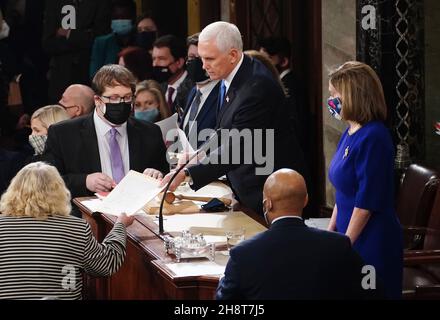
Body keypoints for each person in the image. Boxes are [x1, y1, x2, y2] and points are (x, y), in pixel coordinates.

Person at [160, 22, 306, 215]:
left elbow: (239, 147)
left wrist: (188, 173)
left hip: (269, 194)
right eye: (202, 58)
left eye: (210, 59)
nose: (204, 66)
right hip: (246, 188)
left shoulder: (256, 88)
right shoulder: (231, 76)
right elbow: (225, 130)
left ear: (233, 55)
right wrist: (197, 157)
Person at [216, 169, 380, 300]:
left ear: (267, 204)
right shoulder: (338, 245)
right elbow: (372, 287)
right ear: (305, 200)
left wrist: (224, 279)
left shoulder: (243, 254)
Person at [0, 162, 135, 300]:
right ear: (59, 192)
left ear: (13, 191)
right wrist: (120, 225)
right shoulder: (76, 228)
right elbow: (106, 264)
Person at [326, 61, 403, 299]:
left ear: (353, 95)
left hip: (371, 240)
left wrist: (346, 243)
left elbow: (366, 202)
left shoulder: (374, 136)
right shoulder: (349, 132)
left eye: (334, 96)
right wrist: (332, 233)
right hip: (349, 235)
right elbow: (343, 190)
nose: (331, 102)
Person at [44, 64, 169, 202]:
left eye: (127, 97)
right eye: (114, 98)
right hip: (88, 217)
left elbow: (166, 173)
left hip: (139, 214)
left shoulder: (150, 132)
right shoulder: (63, 134)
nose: (122, 103)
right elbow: (47, 182)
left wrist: (158, 174)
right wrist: (85, 181)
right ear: (97, 100)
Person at [43, 0, 111, 103]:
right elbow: (48, 44)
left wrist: (69, 34)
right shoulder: (54, 3)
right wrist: (83, 36)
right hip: (61, 76)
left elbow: (100, 38)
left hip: (89, 73)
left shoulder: (100, 3)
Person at [258, 36, 308, 152]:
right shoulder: (275, 84)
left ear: (284, 61)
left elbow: (294, 127)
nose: (261, 67)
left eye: (267, 61)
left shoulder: (289, 86)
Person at [180, 33, 219, 148]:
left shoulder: (224, 93)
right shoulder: (192, 92)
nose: (196, 62)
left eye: (202, 58)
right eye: (191, 57)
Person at [89, 0, 137, 79]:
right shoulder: (101, 43)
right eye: (116, 18)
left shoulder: (140, 41)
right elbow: (94, 75)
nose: (120, 21)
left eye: (124, 17)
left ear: (133, 18)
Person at [152, 34, 194, 114]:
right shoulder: (157, 89)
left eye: (161, 59)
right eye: (154, 59)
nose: (155, 64)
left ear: (179, 63)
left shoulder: (193, 88)